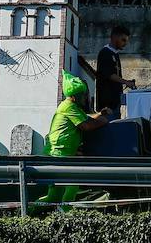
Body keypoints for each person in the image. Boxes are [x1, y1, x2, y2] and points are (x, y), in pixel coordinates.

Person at [39, 72, 109, 204]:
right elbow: (86, 126)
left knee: (53, 197)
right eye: (82, 95)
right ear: (74, 96)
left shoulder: (72, 106)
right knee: (73, 181)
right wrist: (103, 121)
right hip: (58, 155)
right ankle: (65, 212)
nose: (85, 97)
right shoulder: (68, 107)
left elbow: (87, 117)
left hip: (60, 154)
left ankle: (28, 213)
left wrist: (100, 114)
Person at [96, 25, 136, 121]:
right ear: (115, 37)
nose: (125, 43)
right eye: (123, 40)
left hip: (115, 101)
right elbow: (109, 74)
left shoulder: (115, 54)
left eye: (126, 40)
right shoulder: (105, 53)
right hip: (107, 103)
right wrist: (126, 82)